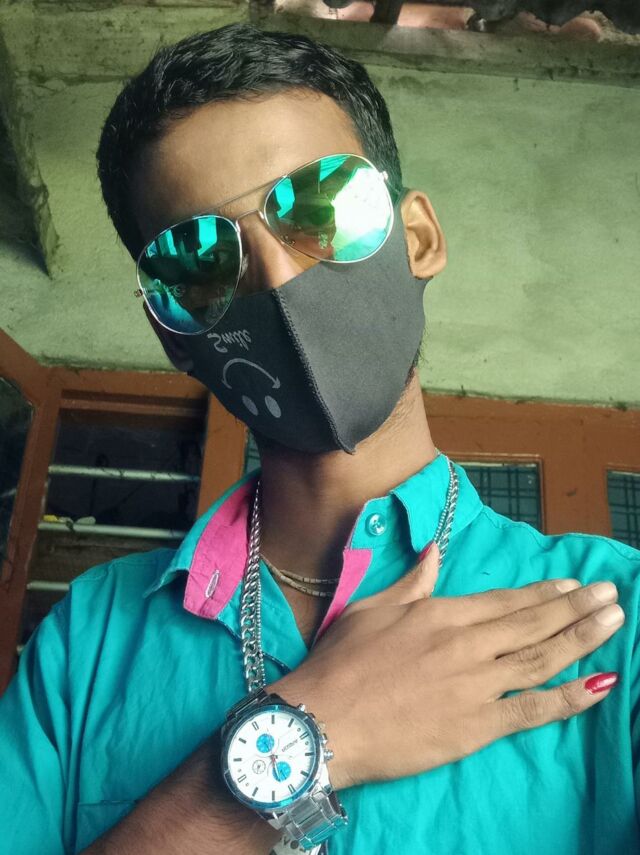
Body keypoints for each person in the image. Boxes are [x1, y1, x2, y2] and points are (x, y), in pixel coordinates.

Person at [1, 22, 638, 855]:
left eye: (320, 206)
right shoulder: (89, 639)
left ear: (418, 239)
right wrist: (311, 732)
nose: (279, 276)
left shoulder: (616, 613)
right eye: (199, 257)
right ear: (171, 331)